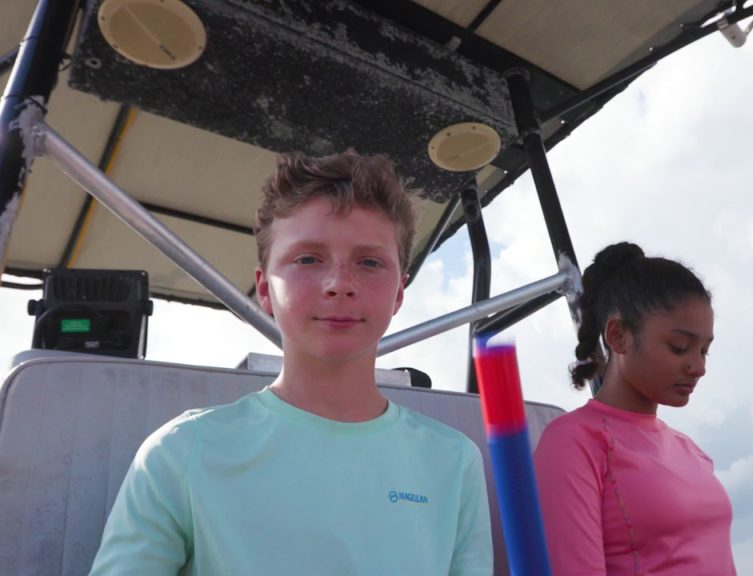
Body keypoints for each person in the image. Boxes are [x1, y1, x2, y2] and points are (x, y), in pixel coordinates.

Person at [90, 151, 493, 575]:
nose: (339, 284)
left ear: (398, 293)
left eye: (369, 262)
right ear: (264, 288)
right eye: (308, 259)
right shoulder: (180, 452)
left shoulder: (454, 461)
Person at [534, 242, 735, 575]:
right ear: (618, 336)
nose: (698, 367)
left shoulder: (690, 451)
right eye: (679, 347)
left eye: (704, 351)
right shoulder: (573, 443)